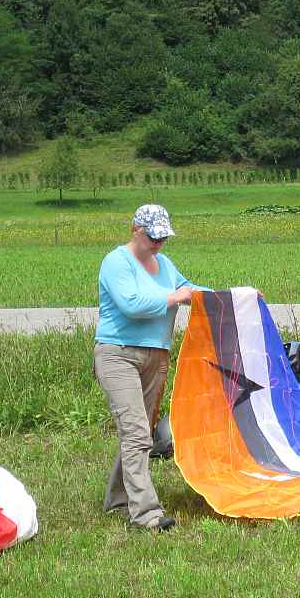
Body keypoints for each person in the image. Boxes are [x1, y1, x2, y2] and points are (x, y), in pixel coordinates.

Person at [93, 204, 206, 532]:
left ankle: (118, 499)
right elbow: (131, 305)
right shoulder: (116, 262)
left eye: (163, 237)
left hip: (156, 358)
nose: (158, 243)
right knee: (137, 432)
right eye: (153, 236)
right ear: (135, 230)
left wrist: (235, 297)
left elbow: (192, 291)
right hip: (118, 356)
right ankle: (146, 514)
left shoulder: (165, 265)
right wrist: (174, 298)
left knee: (139, 430)